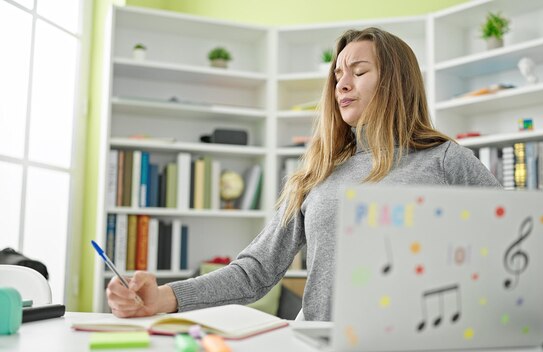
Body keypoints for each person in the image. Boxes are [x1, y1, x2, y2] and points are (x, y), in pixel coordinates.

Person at [106, 27, 501, 321]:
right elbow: (255, 271)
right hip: (320, 342)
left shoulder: (445, 159)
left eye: (359, 72)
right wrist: (164, 297)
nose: (341, 84)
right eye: (337, 75)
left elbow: (508, 246)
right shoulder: (318, 171)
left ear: (396, 81)